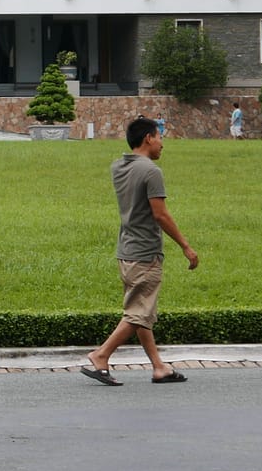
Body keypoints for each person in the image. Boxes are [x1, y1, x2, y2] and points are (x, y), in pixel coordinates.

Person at [82, 116, 200, 387]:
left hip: (126, 250)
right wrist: (186, 246)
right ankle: (101, 355)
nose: (162, 144)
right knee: (138, 313)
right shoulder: (150, 171)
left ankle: (159, 367)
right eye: (159, 137)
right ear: (148, 138)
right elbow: (161, 215)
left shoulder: (118, 166)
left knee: (140, 311)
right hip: (145, 252)